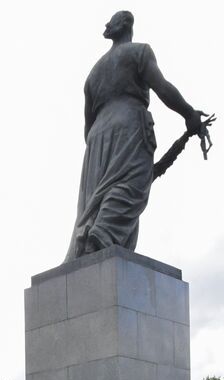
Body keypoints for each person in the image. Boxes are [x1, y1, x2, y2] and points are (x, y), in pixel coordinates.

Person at [66, 10, 210, 259]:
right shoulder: (139, 52)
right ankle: (102, 233)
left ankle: (97, 236)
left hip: (96, 137)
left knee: (99, 198)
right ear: (127, 26)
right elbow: (162, 88)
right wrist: (188, 113)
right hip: (129, 122)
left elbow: (87, 127)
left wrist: (99, 145)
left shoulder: (93, 74)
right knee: (131, 184)